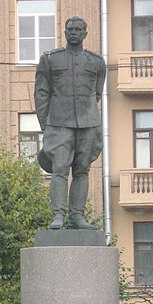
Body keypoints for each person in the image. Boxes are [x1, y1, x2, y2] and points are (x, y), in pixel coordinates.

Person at [34, 16, 106, 230]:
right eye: (70, 29)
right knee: (59, 170)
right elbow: (41, 92)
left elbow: (97, 94)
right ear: (64, 33)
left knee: (82, 171)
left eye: (78, 29)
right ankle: (58, 214)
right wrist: (46, 124)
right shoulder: (50, 59)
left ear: (85, 34)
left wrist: (88, 117)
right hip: (59, 124)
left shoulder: (97, 62)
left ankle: (77, 216)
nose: (73, 32)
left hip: (87, 124)